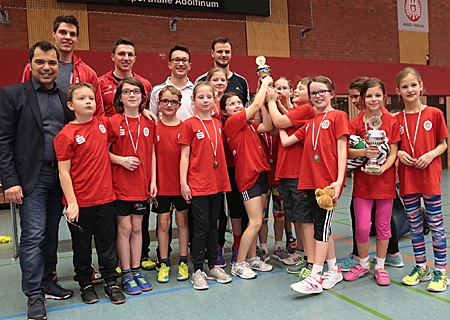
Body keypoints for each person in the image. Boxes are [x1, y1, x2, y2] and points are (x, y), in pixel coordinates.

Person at [0, 41, 74, 320]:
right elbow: (3, 141)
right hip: (31, 177)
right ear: (30, 64)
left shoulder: (65, 97)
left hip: (62, 175)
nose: (46, 67)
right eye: (41, 62)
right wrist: (9, 180)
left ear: (59, 66)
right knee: (32, 236)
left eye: (52, 63)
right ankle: (34, 295)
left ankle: (47, 281)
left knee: (51, 234)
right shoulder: (11, 95)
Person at [54, 82, 125, 305]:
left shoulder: (103, 124)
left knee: (107, 244)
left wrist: (147, 112)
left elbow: (127, 118)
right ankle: (85, 283)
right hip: (81, 203)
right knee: (82, 246)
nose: (88, 102)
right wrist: (72, 203)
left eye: (91, 98)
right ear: (70, 105)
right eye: (82, 98)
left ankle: (111, 282)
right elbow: (63, 173)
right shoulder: (66, 135)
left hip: (105, 198)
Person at [278, 76, 349, 294]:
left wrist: (339, 180)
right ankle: (333, 269)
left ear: (332, 93)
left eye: (322, 91)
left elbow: (342, 149)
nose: (318, 96)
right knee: (322, 227)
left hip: (328, 184)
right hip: (309, 182)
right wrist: (280, 121)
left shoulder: (339, 116)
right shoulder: (309, 125)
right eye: (314, 93)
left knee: (321, 229)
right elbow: (286, 141)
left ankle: (315, 275)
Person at [338, 77, 404, 271]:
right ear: (363, 98)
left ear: (384, 96)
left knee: (383, 226)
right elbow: (345, 150)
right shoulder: (355, 123)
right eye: (369, 96)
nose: (373, 99)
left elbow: (393, 152)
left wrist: (383, 168)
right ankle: (363, 264)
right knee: (362, 228)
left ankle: (381, 266)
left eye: (377, 95)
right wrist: (363, 153)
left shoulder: (391, 121)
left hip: (385, 183)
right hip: (362, 184)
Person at [395, 67, 449, 292]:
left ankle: (441, 271)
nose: (410, 90)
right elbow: (393, 148)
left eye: (413, 85)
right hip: (408, 179)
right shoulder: (396, 119)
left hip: (429, 178)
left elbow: (443, 144)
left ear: (421, 87)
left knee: (436, 226)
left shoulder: (434, 113)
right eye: (405, 86)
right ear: (398, 91)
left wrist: (430, 154)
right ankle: (420, 267)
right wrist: (398, 153)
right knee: (415, 227)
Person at [179, 82, 232, 290]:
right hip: (198, 183)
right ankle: (198, 269)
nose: (205, 100)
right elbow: (184, 156)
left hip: (217, 182)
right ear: (193, 100)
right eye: (200, 97)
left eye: (209, 97)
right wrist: (184, 182)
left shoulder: (218, 124)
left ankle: (213, 265)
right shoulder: (189, 124)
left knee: (213, 225)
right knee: (200, 227)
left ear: (214, 100)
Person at [222, 76, 274, 279]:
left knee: (258, 221)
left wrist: (267, 104)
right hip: (248, 177)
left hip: (261, 174)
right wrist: (263, 83)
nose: (236, 106)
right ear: (225, 111)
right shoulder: (232, 123)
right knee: (253, 223)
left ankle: (252, 258)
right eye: (231, 104)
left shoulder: (249, 126)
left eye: (238, 102)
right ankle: (239, 262)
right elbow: (256, 104)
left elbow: (268, 126)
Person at [108, 77, 156, 295]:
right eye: (126, 92)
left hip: (142, 186)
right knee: (124, 228)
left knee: (137, 228)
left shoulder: (149, 122)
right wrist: (121, 160)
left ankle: (136, 270)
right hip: (120, 186)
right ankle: (125, 272)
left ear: (142, 97)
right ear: (119, 97)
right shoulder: (112, 121)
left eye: (136, 91)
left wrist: (153, 180)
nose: (132, 95)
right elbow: (103, 152)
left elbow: (153, 153)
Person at [268, 77, 316, 277]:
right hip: (288, 172)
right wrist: (280, 104)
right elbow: (287, 119)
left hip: (298, 173)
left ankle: (312, 262)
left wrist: (271, 101)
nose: (296, 90)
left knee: (304, 219)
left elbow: (280, 122)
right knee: (296, 217)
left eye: (300, 88)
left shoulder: (307, 109)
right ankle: (305, 256)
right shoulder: (300, 112)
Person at [21, 14, 104, 115]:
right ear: (54, 33)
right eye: (63, 32)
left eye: (72, 34)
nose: (67, 37)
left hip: (77, 129)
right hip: (42, 127)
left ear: (77, 38)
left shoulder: (89, 73)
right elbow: (24, 100)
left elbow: (98, 111)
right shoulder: (34, 68)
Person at [153, 86, 190, 283]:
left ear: (179, 104)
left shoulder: (185, 127)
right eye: (165, 101)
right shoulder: (153, 127)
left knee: (182, 222)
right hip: (161, 186)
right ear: (158, 104)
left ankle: (183, 261)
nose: (169, 105)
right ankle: (164, 262)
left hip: (180, 185)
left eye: (173, 102)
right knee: (163, 223)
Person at [98, 37, 152, 117]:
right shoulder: (100, 83)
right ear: (113, 57)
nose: (126, 58)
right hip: (109, 128)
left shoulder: (145, 84)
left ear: (134, 59)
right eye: (121, 54)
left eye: (130, 55)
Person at [195, 37, 250, 106]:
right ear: (212, 53)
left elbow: (246, 109)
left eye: (227, 52)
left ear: (231, 54)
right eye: (220, 52)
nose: (224, 55)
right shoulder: (201, 81)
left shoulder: (241, 81)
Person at [149, 44, 195, 121]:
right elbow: (152, 119)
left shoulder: (196, 91)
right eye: (176, 60)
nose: (180, 64)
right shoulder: (157, 90)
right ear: (169, 65)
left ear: (190, 66)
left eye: (184, 60)